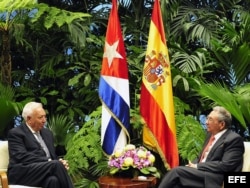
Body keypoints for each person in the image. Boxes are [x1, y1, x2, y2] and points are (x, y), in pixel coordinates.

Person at [159, 106, 245, 188]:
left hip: (215, 178)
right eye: (207, 118)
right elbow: (201, 157)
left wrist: (197, 166)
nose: (206, 122)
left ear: (222, 124)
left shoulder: (234, 139)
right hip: (201, 173)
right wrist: (191, 165)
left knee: (176, 172)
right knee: (176, 184)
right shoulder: (209, 135)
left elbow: (226, 165)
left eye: (210, 119)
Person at [7, 102, 74, 188]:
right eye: (40, 117)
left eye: (45, 116)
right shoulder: (16, 133)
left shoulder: (47, 133)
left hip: (44, 172)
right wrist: (50, 161)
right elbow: (21, 156)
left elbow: (53, 156)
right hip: (23, 173)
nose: (44, 120)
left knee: (53, 180)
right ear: (29, 119)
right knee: (56, 165)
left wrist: (60, 161)